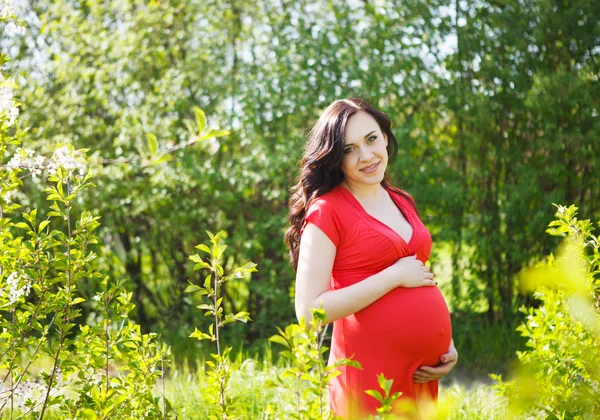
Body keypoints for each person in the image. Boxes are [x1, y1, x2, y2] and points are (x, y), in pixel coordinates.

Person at [284, 98, 458, 418]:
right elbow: (309, 313)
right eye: (349, 149)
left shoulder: (401, 200)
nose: (366, 155)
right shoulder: (327, 211)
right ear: (335, 158)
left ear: (385, 136)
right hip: (368, 374)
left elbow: (418, 273)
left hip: (421, 374)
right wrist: (392, 277)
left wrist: (445, 344)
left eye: (371, 139)